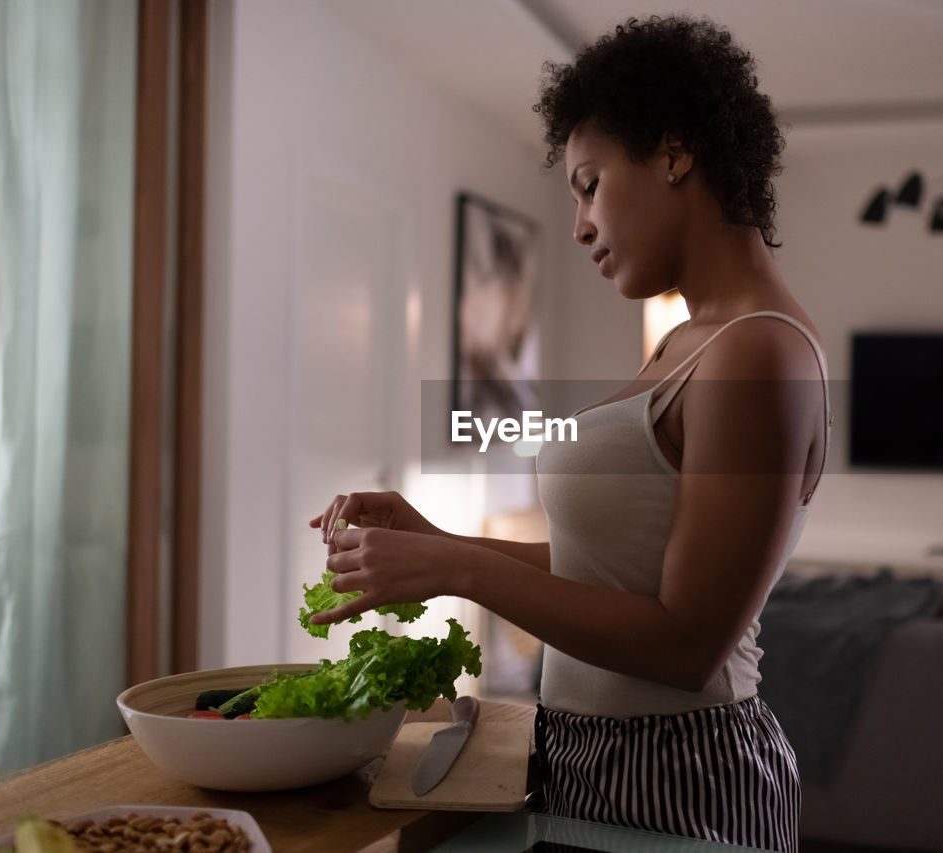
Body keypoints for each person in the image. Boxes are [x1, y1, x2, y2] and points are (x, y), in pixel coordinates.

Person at [308, 15, 829, 851]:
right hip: (582, 755)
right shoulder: (691, 343)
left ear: (673, 152)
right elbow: (617, 575)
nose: (581, 223)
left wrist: (458, 566)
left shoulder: (760, 352)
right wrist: (436, 541)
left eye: (589, 183)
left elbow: (688, 643)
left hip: (680, 778)